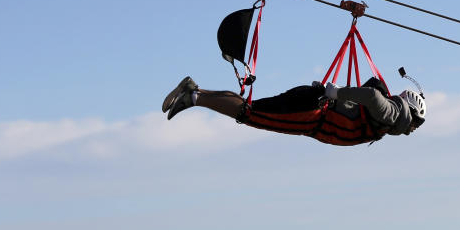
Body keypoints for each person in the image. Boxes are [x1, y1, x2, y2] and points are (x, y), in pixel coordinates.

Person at [162, 75, 426, 146]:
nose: (412, 130)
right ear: (411, 111)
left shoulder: (389, 120)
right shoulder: (394, 116)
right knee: (249, 114)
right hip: (310, 114)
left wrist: (334, 94)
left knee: (250, 110)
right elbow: (370, 95)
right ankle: (194, 96)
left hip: (312, 107)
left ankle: (195, 92)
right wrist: (337, 93)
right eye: (416, 124)